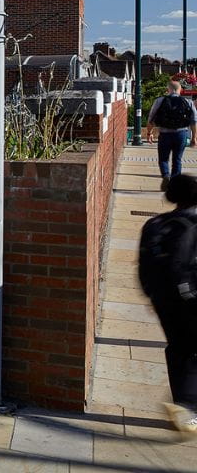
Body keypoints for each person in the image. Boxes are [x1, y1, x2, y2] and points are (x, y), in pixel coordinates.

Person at [138, 173, 197, 433]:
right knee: (192, 350)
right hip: (191, 299)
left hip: (163, 298)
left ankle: (182, 404)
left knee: (177, 348)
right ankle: (188, 407)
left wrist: (153, 295)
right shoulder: (194, 222)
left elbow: (144, 267)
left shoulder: (153, 224)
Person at [147, 80, 197, 179]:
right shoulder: (188, 102)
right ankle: (175, 182)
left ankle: (166, 175)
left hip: (164, 134)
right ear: (181, 90)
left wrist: (149, 133)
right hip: (181, 134)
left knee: (163, 159)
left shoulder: (160, 100)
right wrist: (194, 137)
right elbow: (194, 121)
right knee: (177, 160)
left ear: (167, 90)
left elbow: (151, 118)